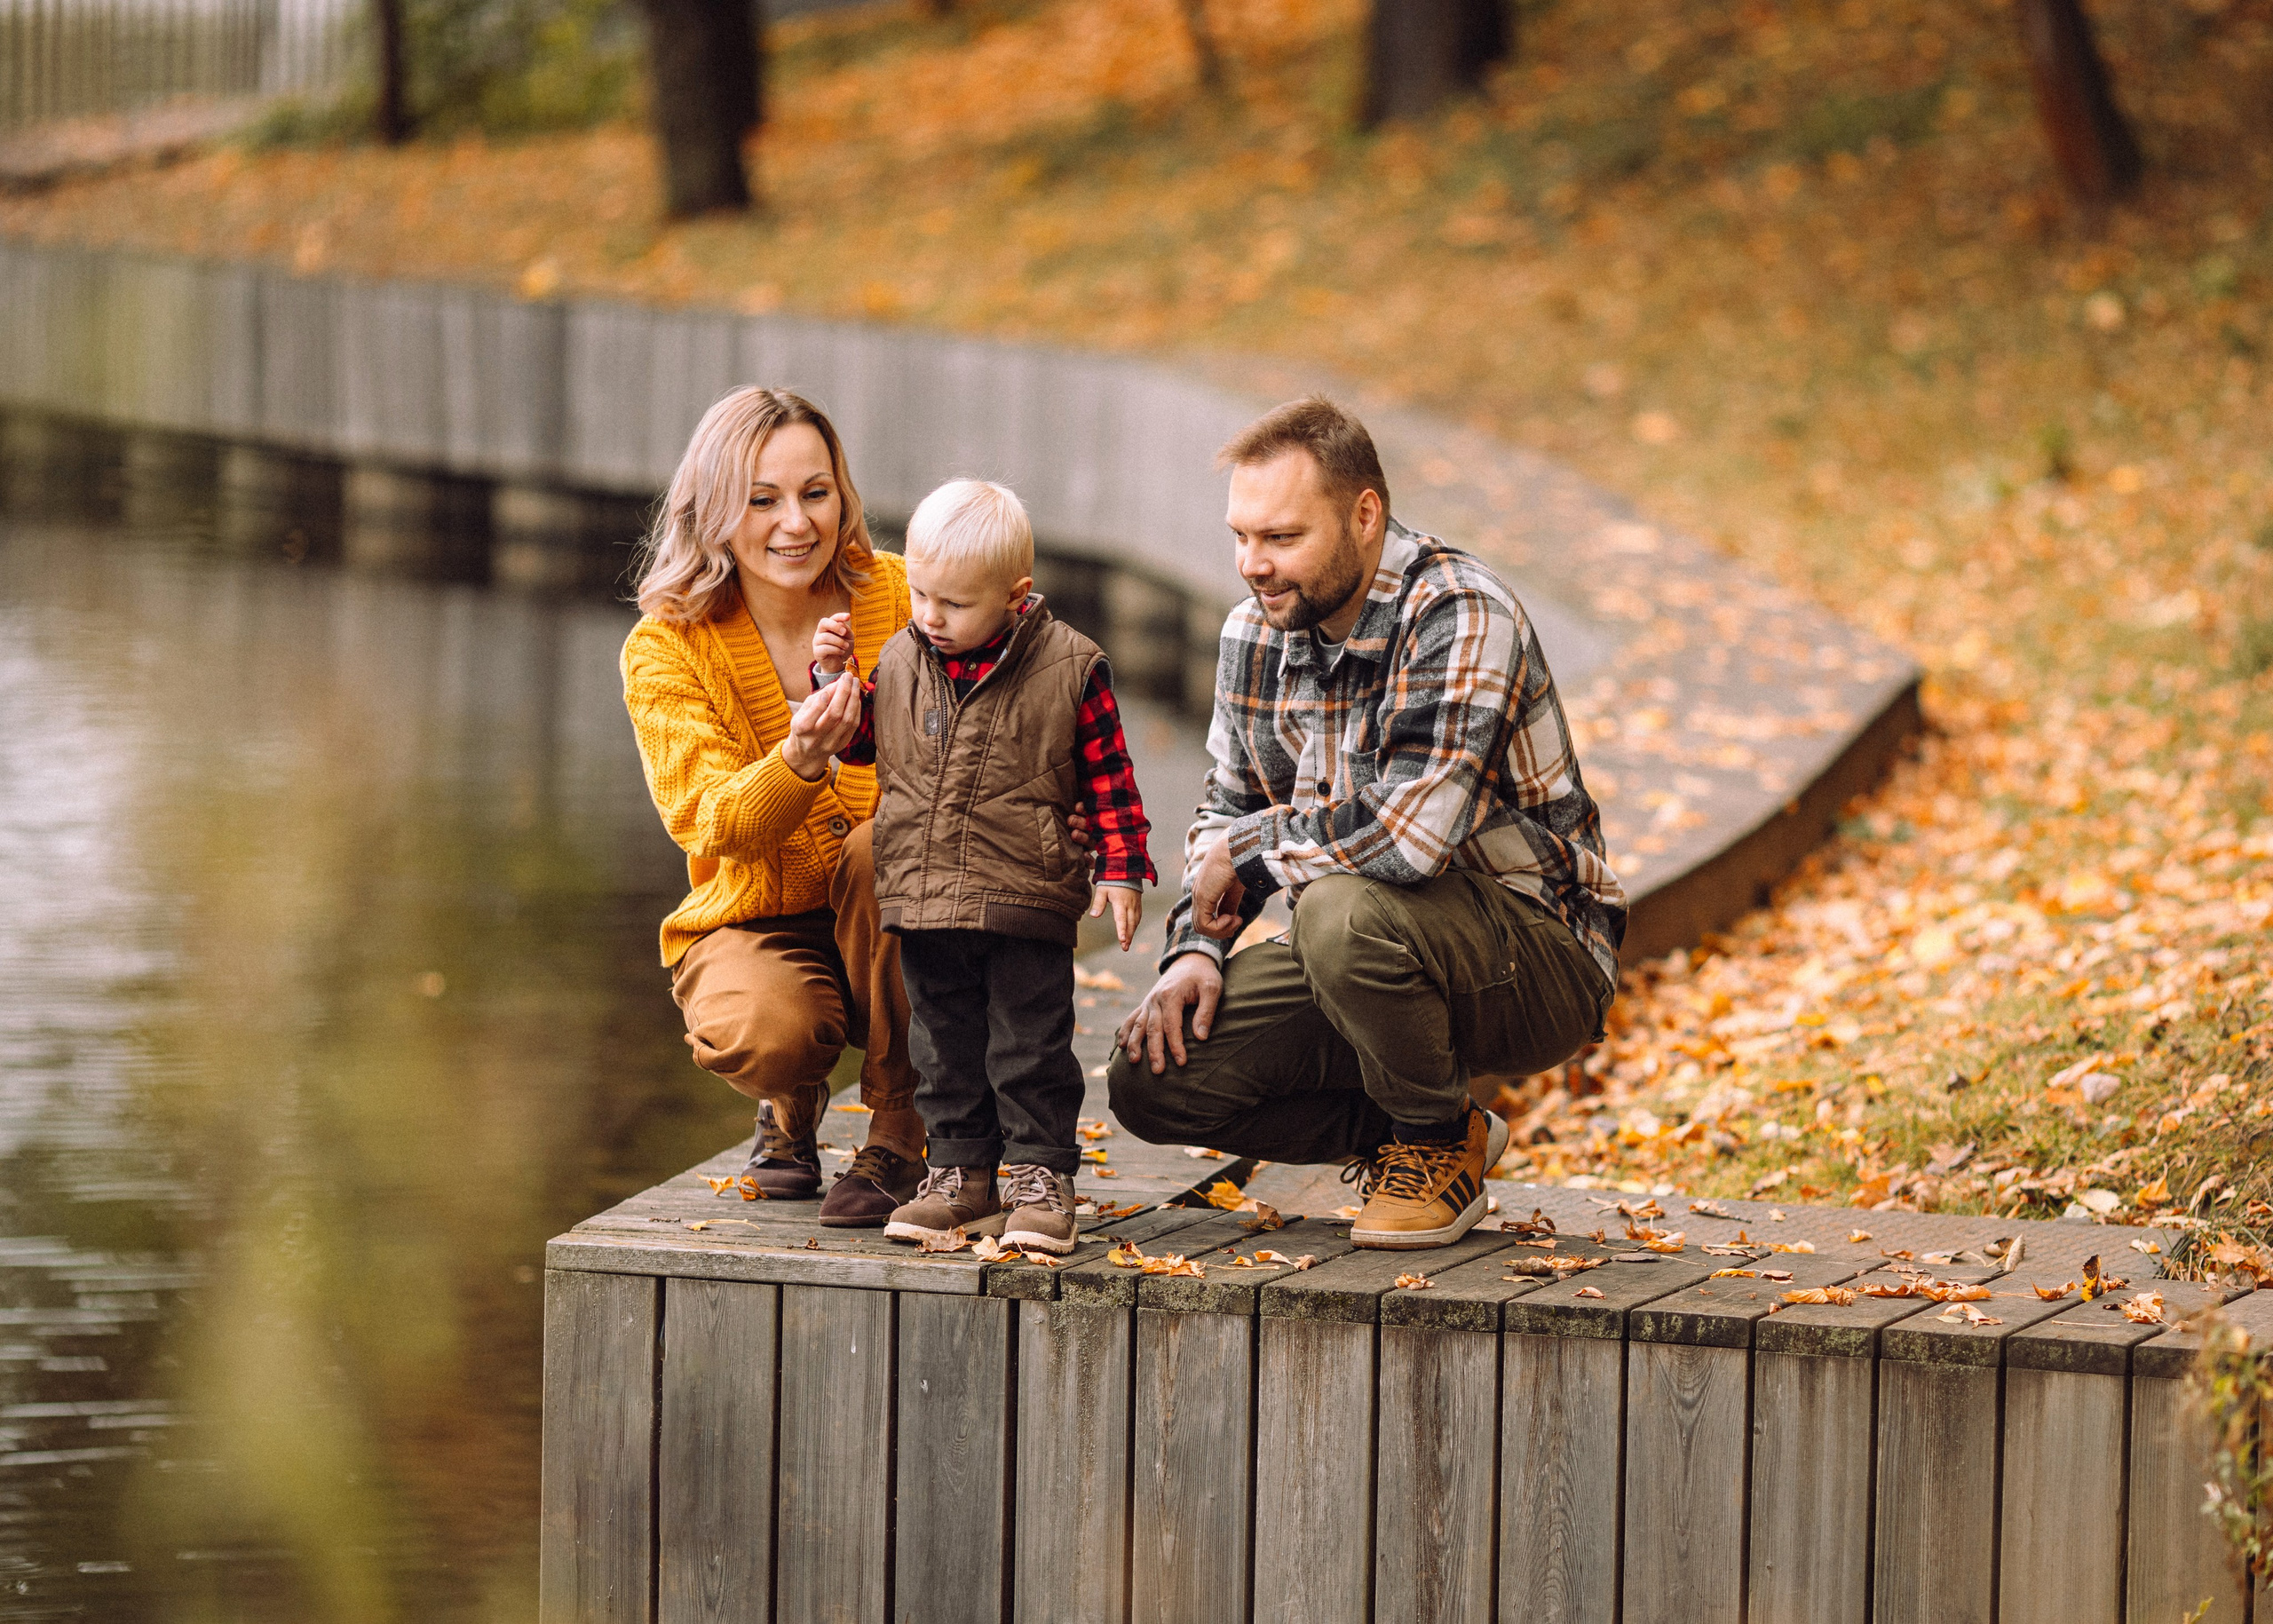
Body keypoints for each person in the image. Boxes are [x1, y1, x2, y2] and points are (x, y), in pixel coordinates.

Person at [1107, 397, 1625, 1250]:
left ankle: (1426, 1144)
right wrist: (1194, 949)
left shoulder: (1459, 613)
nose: (1252, 565)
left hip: (1540, 951)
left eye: (1281, 538)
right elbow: (1223, 811)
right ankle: (1428, 1132)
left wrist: (1246, 850)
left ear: (1365, 515)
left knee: (1338, 909)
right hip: (1367, 951)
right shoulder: (1253, 634)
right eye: (1241, 536)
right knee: (1154, 1078)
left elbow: (1405, 840)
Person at [808, 478, 1152, 1256]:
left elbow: (1109, 778)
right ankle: (961, 1171)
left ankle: (1038, 1176)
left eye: (953, 604)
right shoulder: (903, 657)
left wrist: (1122, 866)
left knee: (1029, 1041)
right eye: (922, 595)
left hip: (1023, 894)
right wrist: (836, 683)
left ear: (1015, 595)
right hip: (925, 896)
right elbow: (865, 739)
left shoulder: (1070, 667)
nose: (930, 615)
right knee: (943, 1042)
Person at [620, 385, 930, 1227]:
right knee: (765, 1029)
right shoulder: (667, 646)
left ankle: (900, 1125)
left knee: (881, 845)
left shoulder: (903, 598)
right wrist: (797, 760)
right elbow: (710, 817)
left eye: (815, 493)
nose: (796, 522)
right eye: (763, 499)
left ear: (842, 495)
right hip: (755, 912)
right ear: (715, 508)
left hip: (896, 907)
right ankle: (791, 1101)